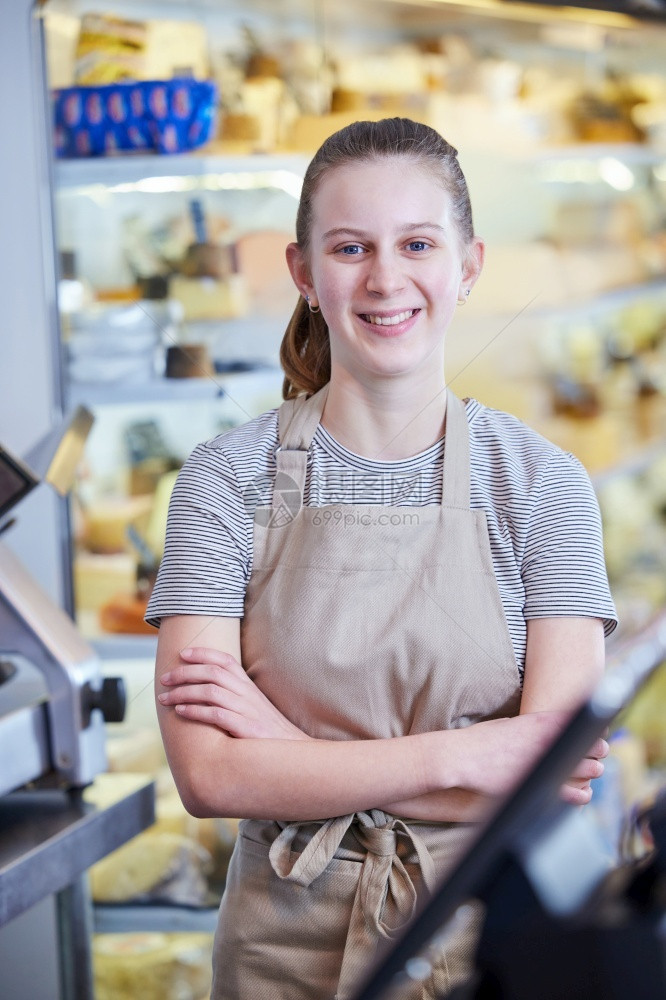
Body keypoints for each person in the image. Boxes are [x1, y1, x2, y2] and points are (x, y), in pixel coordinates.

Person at [147, 117, 617, 1000]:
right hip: (279, 956)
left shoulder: (545, 486)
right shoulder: (224, 479)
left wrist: (288, 754)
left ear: (468, 267)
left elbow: (553, 784)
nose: (385, 278)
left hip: (491, 944)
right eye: (351, 247)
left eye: (417, 244)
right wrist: (465, 757)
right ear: (305, 274)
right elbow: (209, 775)